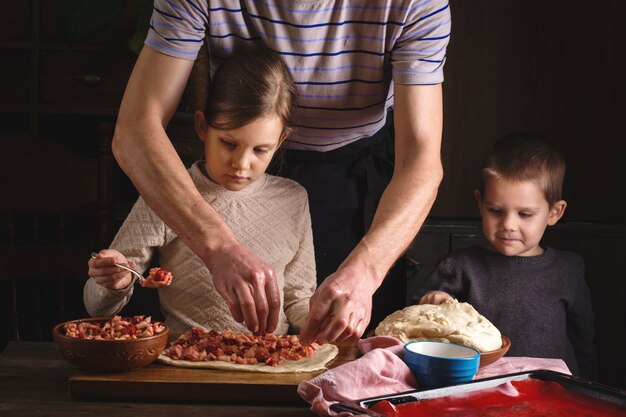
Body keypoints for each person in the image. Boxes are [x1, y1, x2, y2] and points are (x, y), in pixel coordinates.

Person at [112, 0, 451, 343]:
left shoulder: (416, 4)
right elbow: (135, 132)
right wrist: (217, 245)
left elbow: (421, 160)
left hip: (356, 180)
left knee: (351, 356)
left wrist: (367, 270)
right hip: (235, 174)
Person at [85, 48, 316, 336]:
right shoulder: (166, 191)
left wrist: (323, 320)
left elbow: (298, 299)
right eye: (229, 143)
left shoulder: (293, 200)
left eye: (260, 150)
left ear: (280, 141)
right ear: (202, 126)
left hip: (270, 361)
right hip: (186, 359)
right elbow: (97, 307)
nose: (241, 164)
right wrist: (112, 282)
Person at [413, 133, 598, 379]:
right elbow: (417, 322)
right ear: (480, 203)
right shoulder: (459, 266)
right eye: (496, 211)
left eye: (525, 214)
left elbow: (584, 340)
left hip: (551, 393)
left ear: (554, 212)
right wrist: (433, 300)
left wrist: (589, 387)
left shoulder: (568, 270)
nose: (508, 224)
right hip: (480, 389)